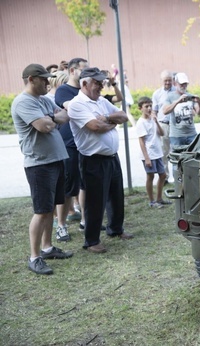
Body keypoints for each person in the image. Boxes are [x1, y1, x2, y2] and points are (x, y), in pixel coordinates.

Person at [11, 63, 73, 275]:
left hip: (55, 160)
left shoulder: (44, 100)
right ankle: (34, 257)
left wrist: (52, 118)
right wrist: (52, 119)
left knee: (50, 208)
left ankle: (47, 248)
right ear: (31, 79)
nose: (48, 82)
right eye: (44, 79)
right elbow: (43, 126)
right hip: (39, 163)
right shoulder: (23, 102)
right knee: (41, 211)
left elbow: (65, 116)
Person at [68, 67, 134, 254]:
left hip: (111, 157)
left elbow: (123, 116)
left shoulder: (101, 102)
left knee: (116, 196)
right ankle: (91, 240)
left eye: (102, 82)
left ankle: (115, 228)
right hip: (93, 160)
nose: (101, 86)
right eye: (97, 83)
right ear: (84, 84)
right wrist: (110, 124)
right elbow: (94, 126)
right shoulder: (77, 104)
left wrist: (106, 118)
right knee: (95, 201)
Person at [54, 57, 89, 239]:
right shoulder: (63, 90)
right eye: (83, 70)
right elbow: (70, 107)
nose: (86, 73)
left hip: (86, 143)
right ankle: (61, 226)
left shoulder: (86, 90)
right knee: (68, 187)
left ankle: (85, 220)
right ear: (72, 70)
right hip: (69, 144)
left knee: (85, 184)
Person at [135, 96, 169, 207]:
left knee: (163, 175)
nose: (149, 108)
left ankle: (159, 199)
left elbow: (162, 133)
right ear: (141, 108)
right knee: (150, 176)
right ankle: (152, 201)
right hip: (149, 154)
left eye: (150, 106)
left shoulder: (153, 119)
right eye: (146, 106)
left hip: (158, 153)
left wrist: (156, 121)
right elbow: (141, 141)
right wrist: (147, 158)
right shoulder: (141, 123)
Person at [162, 72, 200, 147]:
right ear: (175, 83)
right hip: (176, 135)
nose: (183, 86)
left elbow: (199, 113)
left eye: (185, 84)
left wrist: (199, 103)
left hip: (191, 133)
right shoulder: (170, 96)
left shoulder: (190, 96)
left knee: (193, 155)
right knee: (177, 157)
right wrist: (177, 101)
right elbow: (165, 111)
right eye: (181, 84)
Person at [152, 70, 175, 183]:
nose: (167, 83)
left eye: (169, 80)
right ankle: (165, 177)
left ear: (173, 80)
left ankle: (178, 177)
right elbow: (154, 111)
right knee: (164, 152)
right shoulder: (157, 94)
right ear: (161, 81)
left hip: (176, 125)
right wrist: (155, 124)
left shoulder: (177, 92)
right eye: (165, 80)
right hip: (164, 125)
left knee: (176, 151)